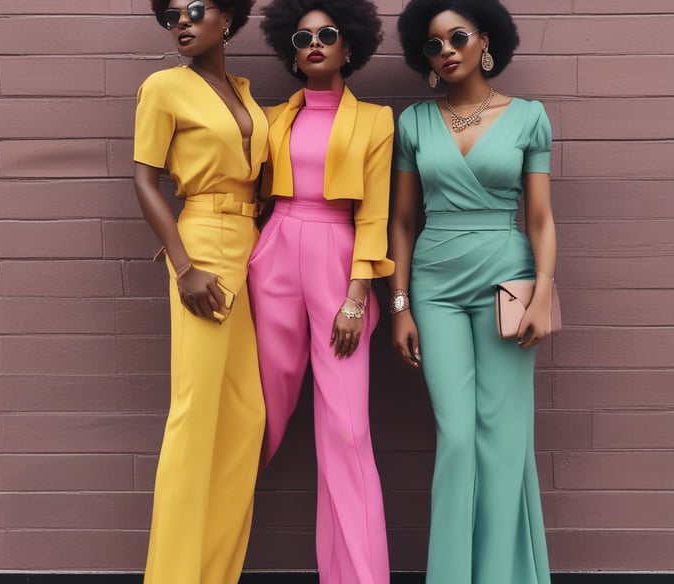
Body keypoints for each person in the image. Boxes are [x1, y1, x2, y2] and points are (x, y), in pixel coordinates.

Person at [389, 1, 556, 582]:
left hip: (507, 283)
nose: (446, 51)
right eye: (433, 45)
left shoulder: (530, 117)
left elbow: (540, 220)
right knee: (458, 436)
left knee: (504, 437)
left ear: (484, 39)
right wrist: (400, 303)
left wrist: (542, 293)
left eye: (456, 37)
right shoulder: (412, 123)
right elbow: (404, 223)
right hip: (433, 289)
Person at [248, 1, 394, 582]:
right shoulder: (272, 118)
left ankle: (358, 575)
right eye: (303, 36)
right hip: (276, 251)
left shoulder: (376, 120)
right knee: (258, 411)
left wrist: (358, 297)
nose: (315, 43)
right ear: (290, 48)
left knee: (346, 425)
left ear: (349, 47)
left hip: (340, 261)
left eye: (328, 35)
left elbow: (376, 214)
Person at [132, 0, 268, 582]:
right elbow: (144, 177)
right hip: (204, 247)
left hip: (249, 243)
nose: (181, 23)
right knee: (194, 415)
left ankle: (214, 573)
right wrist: (183, 266)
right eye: (170, 18)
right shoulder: (163, 86)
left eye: (194, 10)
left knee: (246, 416)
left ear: (228, 18)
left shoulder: (243, 89)